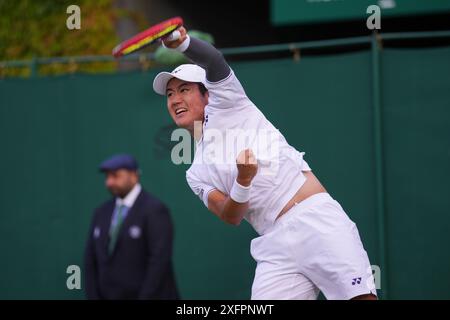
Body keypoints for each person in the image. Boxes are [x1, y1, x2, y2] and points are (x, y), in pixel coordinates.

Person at [152, 27, 377, 300]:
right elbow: (230, 215)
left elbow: (213, 60)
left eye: (184, 90)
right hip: (274, 244)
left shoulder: (228, 102)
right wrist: (243, 180)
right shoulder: (195, 172)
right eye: (170, 94)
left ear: (208, 95)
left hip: (316, 220)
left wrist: (183, 43)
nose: (175, 100)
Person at [84, 154, 179, 300]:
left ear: (134, 176)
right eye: (107, 177)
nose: (109, 182)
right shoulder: (101, 212)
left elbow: (159, 262)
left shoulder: (155, 210)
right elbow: (91, 260)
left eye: (115, 176)